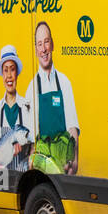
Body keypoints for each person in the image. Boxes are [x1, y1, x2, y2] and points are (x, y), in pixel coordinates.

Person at [22, 21, 79, 175]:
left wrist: (73, 162)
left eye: (46, 42)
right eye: (39, 44)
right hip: (43, 166)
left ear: (52, 44)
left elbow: (72, 128)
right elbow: (32, 140)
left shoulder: (64, 82)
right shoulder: (32, 88)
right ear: (35, 50)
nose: (44, 49)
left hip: (64, 166)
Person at [0, 43, 32, 172]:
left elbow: (33, 144)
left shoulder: (27, 106)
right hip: (2, 175)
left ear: (17, 73)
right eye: (5, 70)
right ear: (2, 74)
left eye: (12, 69)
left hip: (24, 175)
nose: (9, 76)